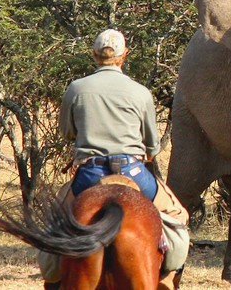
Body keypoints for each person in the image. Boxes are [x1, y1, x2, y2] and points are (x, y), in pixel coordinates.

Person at [40, 29, 189, 289]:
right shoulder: (140, 91)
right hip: (134, 172)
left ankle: (54, 280)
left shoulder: (76, 88)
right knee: (178, 216)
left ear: (94, 55)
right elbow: (152, 145)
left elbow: (67, 132)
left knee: (56, 224)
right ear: (124, 56)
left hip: (90, 174)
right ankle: (167, 277)